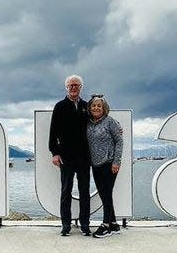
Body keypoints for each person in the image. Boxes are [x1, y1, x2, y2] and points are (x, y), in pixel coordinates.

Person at [49, 75, 91, 236]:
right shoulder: (60, 106)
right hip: (66, 157)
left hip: (84, 156)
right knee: (66, 190)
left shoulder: (86, 106)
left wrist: (117, 128)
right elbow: (53, 132)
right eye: (71, 85)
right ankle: (65, 225)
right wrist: (55, 153)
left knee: (84, 191)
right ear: (66, 87)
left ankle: (85, 224)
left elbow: (99, 121)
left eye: (76, 85)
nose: (73, 87)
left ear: (81, 87)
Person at [86, 94, 123, 238]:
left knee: (106, 195)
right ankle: (114, 224)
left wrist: (116, 162)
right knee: (104, 195)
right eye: (93, 105)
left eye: (99, 105)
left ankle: (106, 225)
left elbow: (119, 142)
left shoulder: (110, 121)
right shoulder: (88, 123)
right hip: (95, 164)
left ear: (104, 108)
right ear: (90, 108)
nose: (96, 108)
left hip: (109, 164)